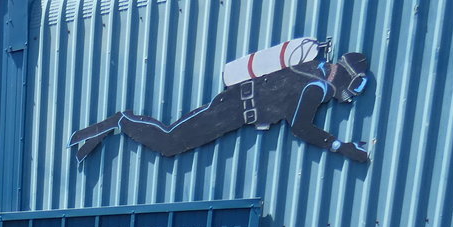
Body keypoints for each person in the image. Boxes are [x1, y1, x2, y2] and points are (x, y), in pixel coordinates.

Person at [69, 46, 371, 163]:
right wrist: (339, 146)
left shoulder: (311, 71)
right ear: (345, 73)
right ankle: (120, 121)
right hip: (230, 111)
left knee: (172, 140)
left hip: (235, 107)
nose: (353, 93)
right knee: (171, 141)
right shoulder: (317, 85)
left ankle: (115, 124)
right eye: (356, 85)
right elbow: (301, 126)